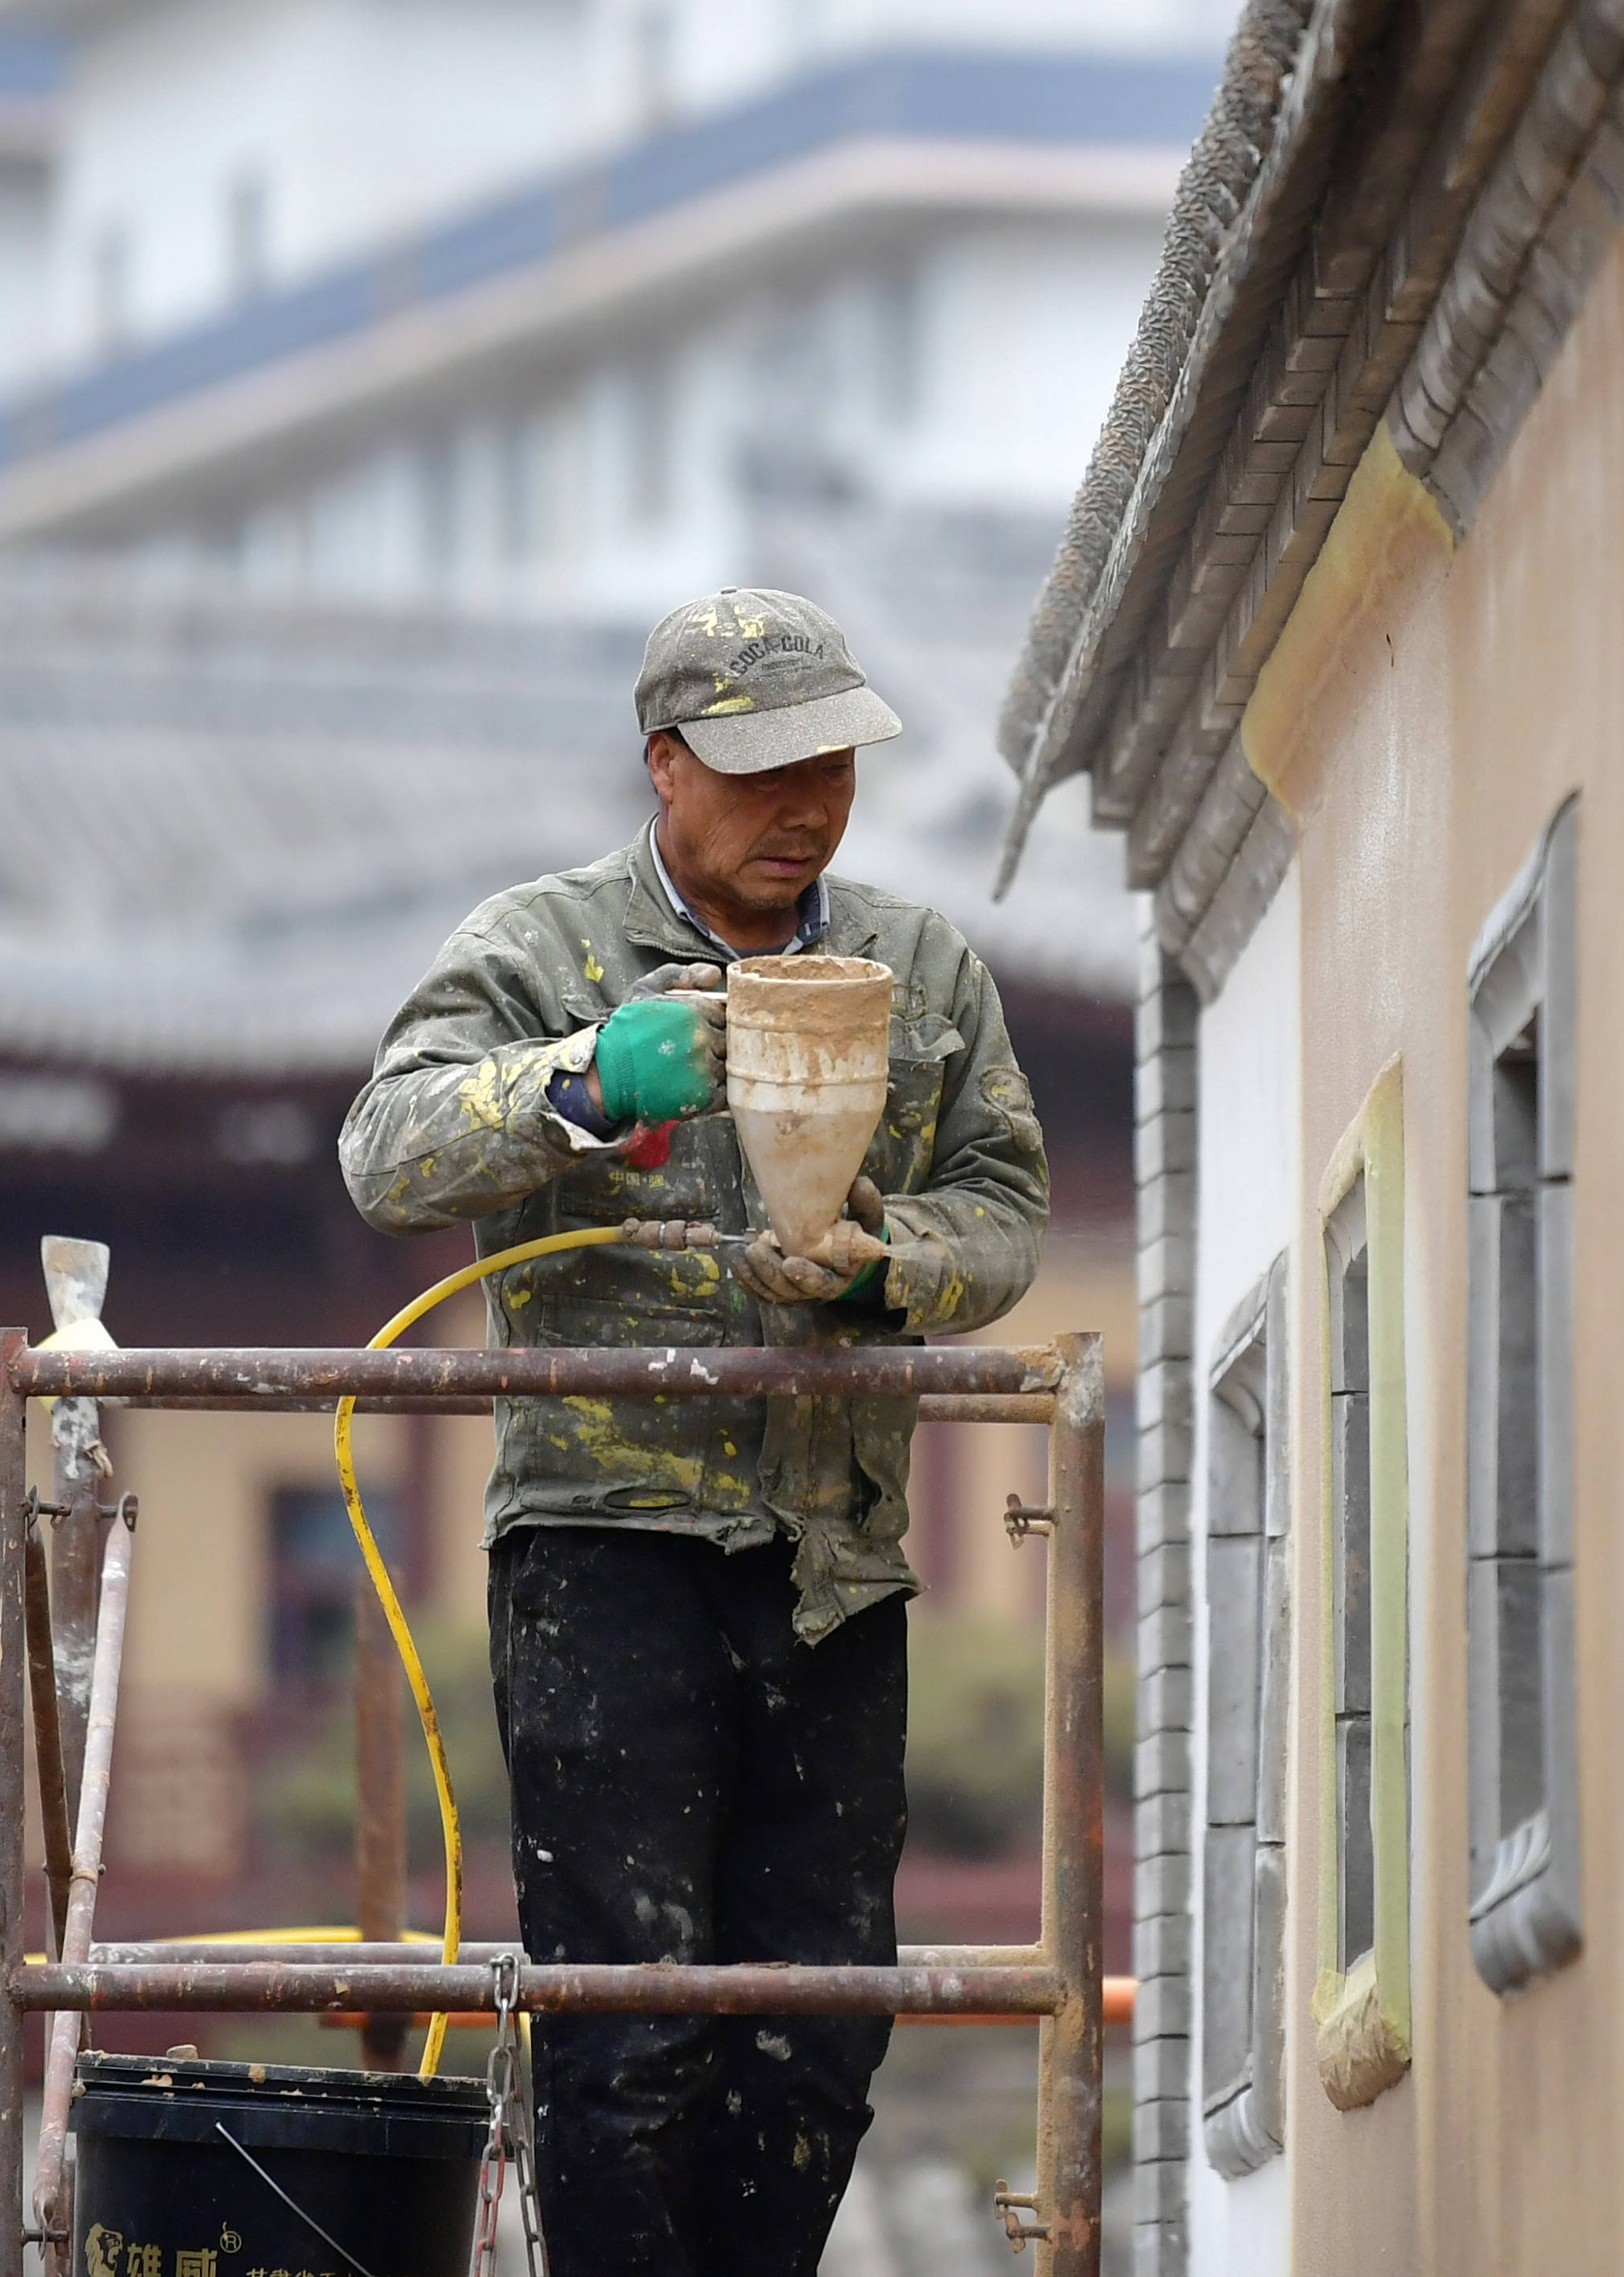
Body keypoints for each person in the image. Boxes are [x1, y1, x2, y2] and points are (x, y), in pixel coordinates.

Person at [340, 588, 1049, 2275]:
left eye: (834, 768)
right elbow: (384, 1154)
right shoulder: (541, 951)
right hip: (602, 1548)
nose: (807, 805)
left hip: (832, 1559)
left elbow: (1006, 1198)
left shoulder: (916, 971)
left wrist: (900, 1269)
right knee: (625, 2015)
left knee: (819, 2017)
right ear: (662, 764)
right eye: (761, 770)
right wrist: (585, 1080)